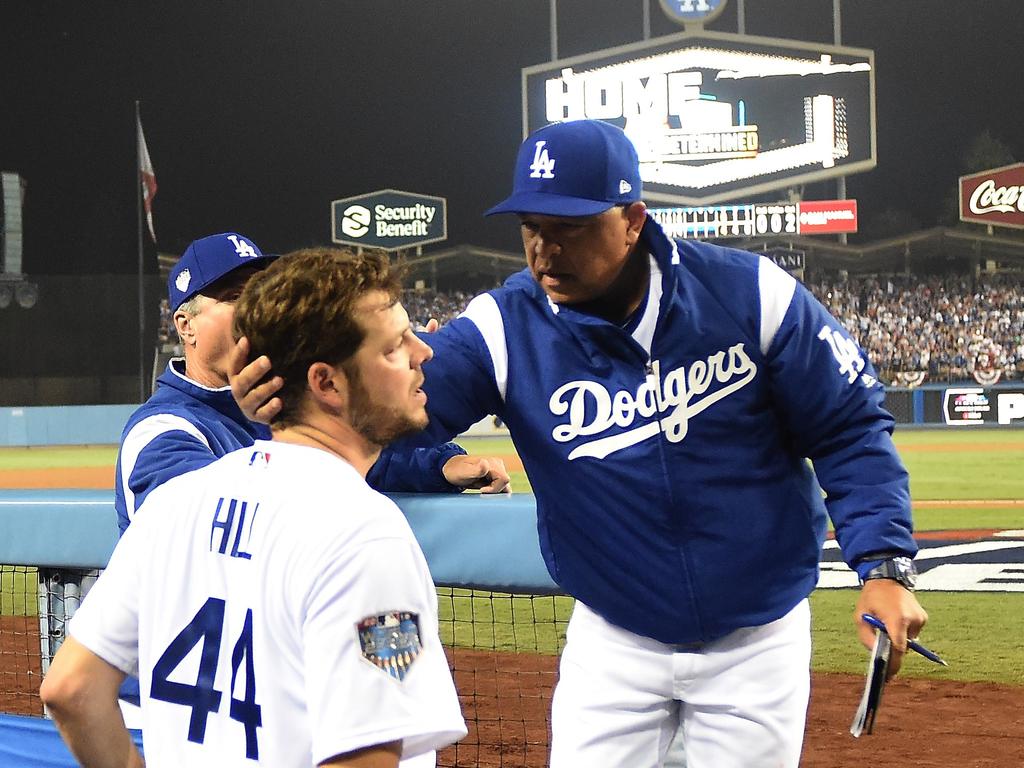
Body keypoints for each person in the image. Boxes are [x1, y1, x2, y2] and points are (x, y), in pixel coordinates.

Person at [231, 120, 929, 768]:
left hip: (757, 637)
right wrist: (288, 403)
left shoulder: (752, 296)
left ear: (632, 222)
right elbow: (378, 418)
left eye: (567, 227)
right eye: (531, 227)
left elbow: (849, 428)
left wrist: (885, 565)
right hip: (614, 639)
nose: (544, 249)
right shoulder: (507, 326)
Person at [40, 249, 467, 767]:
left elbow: (69, 687)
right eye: (396, 346)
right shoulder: (364, 533)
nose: (425, 352)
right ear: (325, 382)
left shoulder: (180, 501)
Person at [115, 231, 509, 537]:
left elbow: (357, 454)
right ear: (185, 325)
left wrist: (441, 465)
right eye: (236, 296)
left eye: (260, 293)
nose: (253, 310)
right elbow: (207, 537)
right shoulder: (163, 430)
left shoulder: (277, 400)